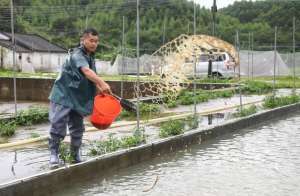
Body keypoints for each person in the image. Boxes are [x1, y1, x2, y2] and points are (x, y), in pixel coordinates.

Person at [48, 28, 111, 167]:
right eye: (91, 40)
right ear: (83, 40)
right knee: (58, 124)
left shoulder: (90, 57)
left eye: (96, 41)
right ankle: (53, 154)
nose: (94, 44)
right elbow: (86, 71)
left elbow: (90, 76)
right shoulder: (77, 54)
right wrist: (102, 82)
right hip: (64, 95)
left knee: (77, 127)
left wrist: (99, 87)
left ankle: (75, 154)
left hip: (77, 98)